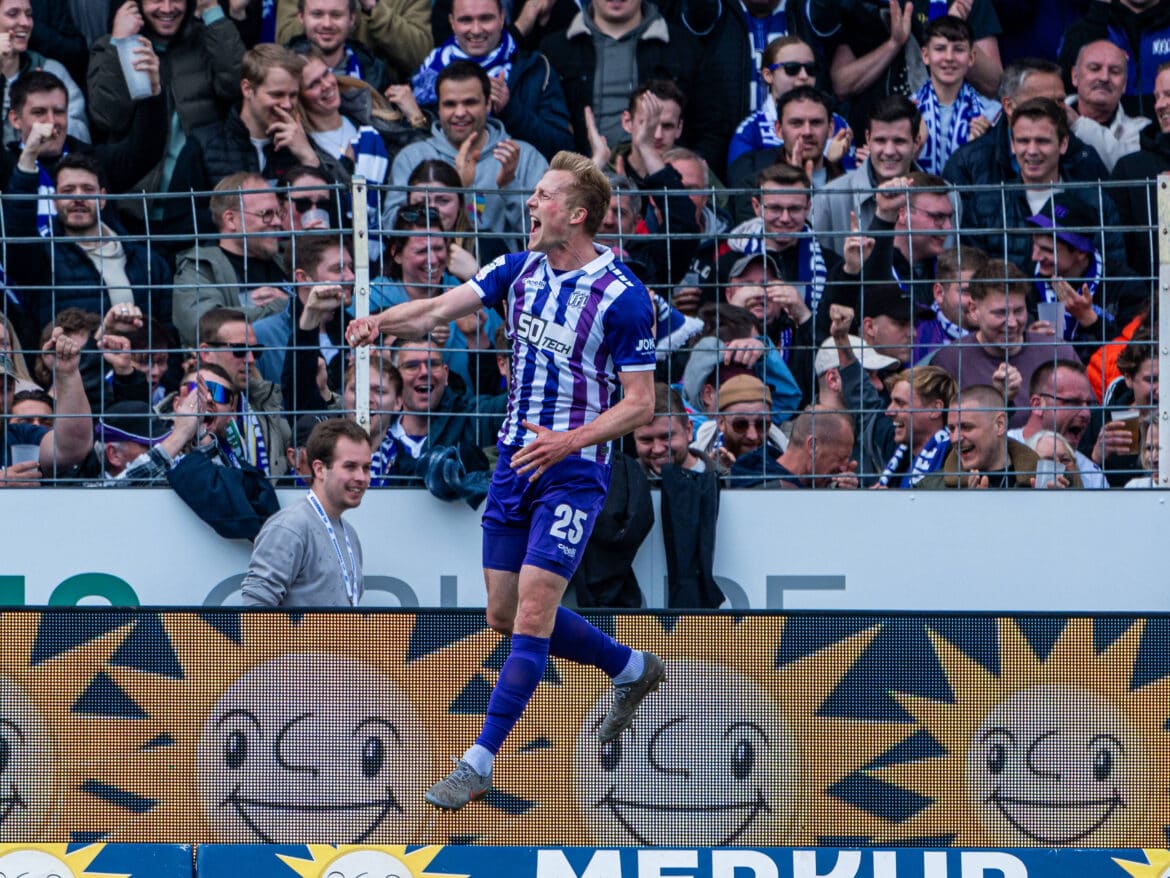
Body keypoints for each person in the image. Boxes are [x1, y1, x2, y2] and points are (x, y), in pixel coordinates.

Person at [347, 151, 662, 810]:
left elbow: (640, 404)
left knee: (536, 609)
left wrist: (570, 440)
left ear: (576, 215)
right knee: (503, 612)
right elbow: (436, 309)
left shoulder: (625, 298)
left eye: (544, 195)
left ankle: (478, 759)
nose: (531, 203)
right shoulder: (517, 269)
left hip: (573, 469)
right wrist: (380, 322)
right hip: (515, 463)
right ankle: (631, 668)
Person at [87, 0, 246, 199]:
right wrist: (119, 43)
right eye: (156, 0)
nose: (167, 8)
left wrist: (212, 10)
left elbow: (237, 87)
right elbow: (107, 117)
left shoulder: (207, 39)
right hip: (138, 202)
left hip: (203, 197)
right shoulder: (111, 45)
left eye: (176, 0)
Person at [1, 153, 175, 335]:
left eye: (88, 189)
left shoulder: (148, 262)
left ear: (103, 199)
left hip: (133, 363)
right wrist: (28, 156)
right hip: (69, 362)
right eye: (68, 191)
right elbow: (17, 233)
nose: (78, 197)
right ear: (54, 202)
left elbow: (167, 337)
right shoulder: (42, 259)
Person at [382, 61, 548, 247]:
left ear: (488, 105)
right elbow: (390, 229)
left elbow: (546, 235)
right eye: (450, 104)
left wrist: (509, 185)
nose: (460, 112)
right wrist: (459, 189)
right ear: (438, 108)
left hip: (508, 275)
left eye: (470, 102)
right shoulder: (412, 158)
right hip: (432, 272)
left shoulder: (523, 156)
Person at [410, 0, 573, 160]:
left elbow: (562, 149)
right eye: (466, 20)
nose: (476, 30)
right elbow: (417, 153)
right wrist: (416, 117)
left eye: (485, 18)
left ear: (502, 18)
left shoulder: (535, 69)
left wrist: (510, 110)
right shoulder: (427, 73)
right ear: (452, 22)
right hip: (446, 181)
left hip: (517, 180)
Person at [540, 0, 700, 158]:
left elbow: (709, 125)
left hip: (661, 176)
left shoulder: (684, 47)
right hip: (578, 176)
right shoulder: (554, 50)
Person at [172, 173, 292, 383]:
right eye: (266, 214)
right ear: (231, 219)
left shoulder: (287, 264)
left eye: (279, 213)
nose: (277, 222)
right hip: (233, 393)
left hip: (293, 385)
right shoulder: (199, 268)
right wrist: (282, 306)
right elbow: (202, 325)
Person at [930, 259, 1078, 427]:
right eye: (1000, 313)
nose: (1012, 323)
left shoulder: (1058, 352)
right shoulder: (949, 361)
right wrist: (997, 397)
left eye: (1019, 311)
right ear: (973, 309)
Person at [241, 418, 372, 606]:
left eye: (366, 468)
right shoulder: (290, 526)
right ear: (319, 469)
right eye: (350, 466)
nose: (361, 477)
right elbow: (255, 611)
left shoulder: (349, 534)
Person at [194, 307, 293, 477]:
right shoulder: (178, 411)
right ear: (206, 353)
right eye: (239, 350)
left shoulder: (267, 407)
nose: (251, 360)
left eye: (255, 351)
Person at [727, 36, 853, 169]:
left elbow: (853, 186)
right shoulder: (750, 131)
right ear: (768, 75)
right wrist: (825, 158)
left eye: (810, 69)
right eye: (792, 68)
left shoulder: (838, 125)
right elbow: (742, 184)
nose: (804, 76)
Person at [912, 16, 1001, 176]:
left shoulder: (992, 114)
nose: (949, 58)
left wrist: (985, 144)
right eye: (940, 49)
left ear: (971, 57)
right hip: (917, 198)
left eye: (958, 49)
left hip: (970, 200)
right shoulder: (906, 110)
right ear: (925, 55)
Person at [276, 0, 432, 84]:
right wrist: (322, 9)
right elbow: (284, 42)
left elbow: (420, 58)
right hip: (307, 90)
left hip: (379, 95)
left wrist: (373, 8)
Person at [1007, 359, 1107, 488]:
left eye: (1088, 404)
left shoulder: (1092, 475)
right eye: (1072, 402)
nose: (1086, 413)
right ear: (1038, 405)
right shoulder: (1003, 450)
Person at [918, 383, 1040, 488]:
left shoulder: (1044, 481)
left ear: (999, 425)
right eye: (951, 429)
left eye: (966, 427)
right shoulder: (930, 488)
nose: (955, 438)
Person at [0, 0, 88, 146]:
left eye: (29, 15)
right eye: (13, 14)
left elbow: (82, 136)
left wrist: (48, 113)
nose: (25, 23)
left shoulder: (51, 71)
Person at [1066, 38, 1149, 173]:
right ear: (1075, 76)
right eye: (1095, 68)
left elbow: (1126, 170)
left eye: (1115, 71)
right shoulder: (1050, 117)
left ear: (1125, 85)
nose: (1104, 78)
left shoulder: (1142, 129)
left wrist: (1078, 124)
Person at [730, 405, 857, 488]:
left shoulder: (799, 485)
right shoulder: (769, 489)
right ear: (813, 446)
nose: (844, 468)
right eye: (841, 458)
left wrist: (842, 498)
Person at [284, 0, 393, 91]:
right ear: (301, 17)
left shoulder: (375, 72)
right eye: (317, 14)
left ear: (351, 19)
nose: (327, 24)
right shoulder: (282, 69)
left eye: (336, 15)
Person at [875, 365, 956, 488]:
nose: (889, 412)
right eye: (891, 402)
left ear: (935, 409)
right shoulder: (899, 454)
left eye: (900, 403)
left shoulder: (955, 456)